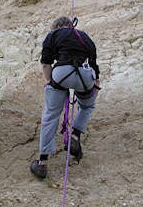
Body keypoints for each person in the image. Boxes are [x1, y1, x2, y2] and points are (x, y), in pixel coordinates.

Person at [30, 16, 100, 178]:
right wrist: (95, 85)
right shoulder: (85, 36)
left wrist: (49, 82)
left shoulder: (53, 35)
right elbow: (95, 67)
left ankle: (42, 163)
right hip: (85, 75)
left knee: (51, 114)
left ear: (57, 27)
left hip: (61, 73)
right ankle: (75, 134)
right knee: (87, 105)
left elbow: (46, 62)